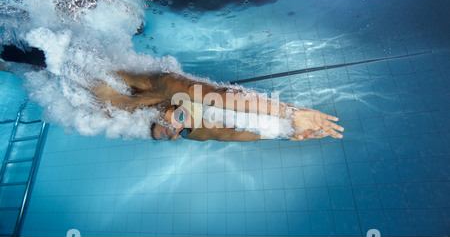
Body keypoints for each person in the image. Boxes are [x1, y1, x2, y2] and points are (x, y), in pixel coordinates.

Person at [91, 71, 344, 142]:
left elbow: (223, 97)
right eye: (176, 132)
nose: (179, 129)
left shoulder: (161, 85)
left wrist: (289, 114)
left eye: (178, 117)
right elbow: (229, 133)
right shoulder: (191, 129)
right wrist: (283, 131)